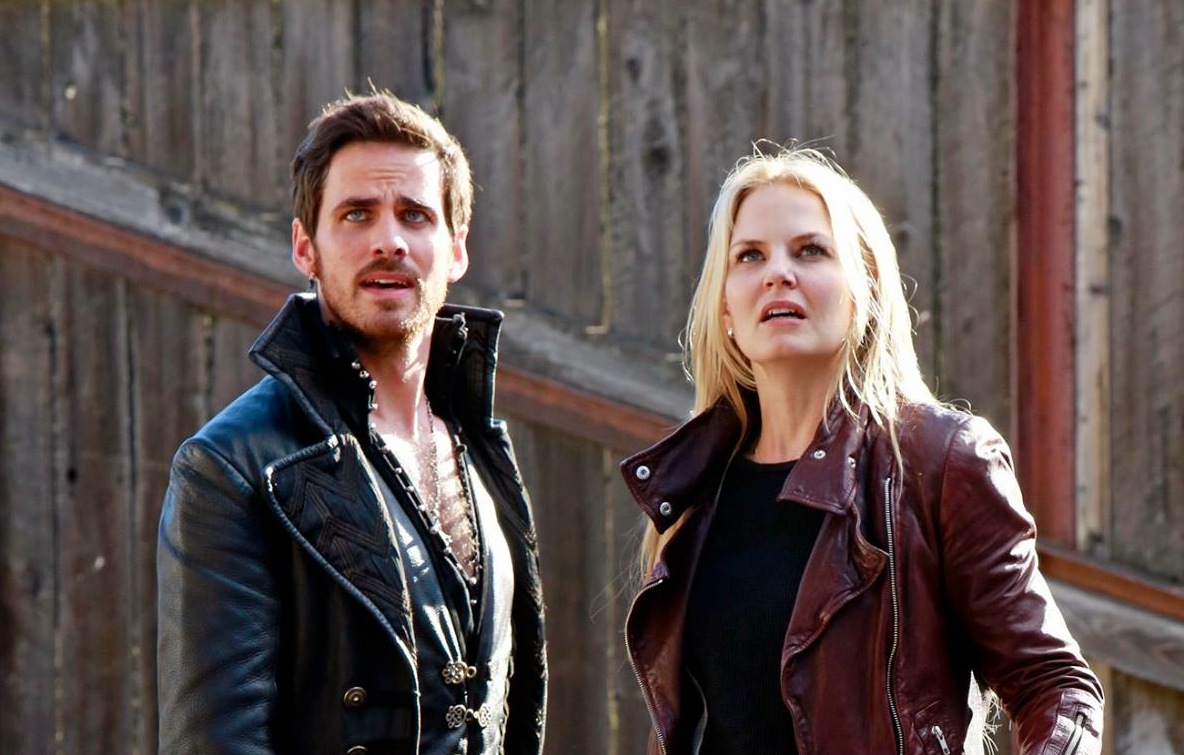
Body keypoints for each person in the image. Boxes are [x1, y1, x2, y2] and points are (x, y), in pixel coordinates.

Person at [620, 147, 1103, 755]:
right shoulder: (694, 490)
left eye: (810, 251)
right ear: (726, 307)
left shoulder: (939, 461)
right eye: (750, 256)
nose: (777, 273)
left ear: (865, 286)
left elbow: (1055, 687)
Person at [157, 90, 546, 755]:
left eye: (415, 215)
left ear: (455, 250)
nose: (388, 240)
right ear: (305, 248)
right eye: (357, 214)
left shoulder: (479, 450)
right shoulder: (234, 467)